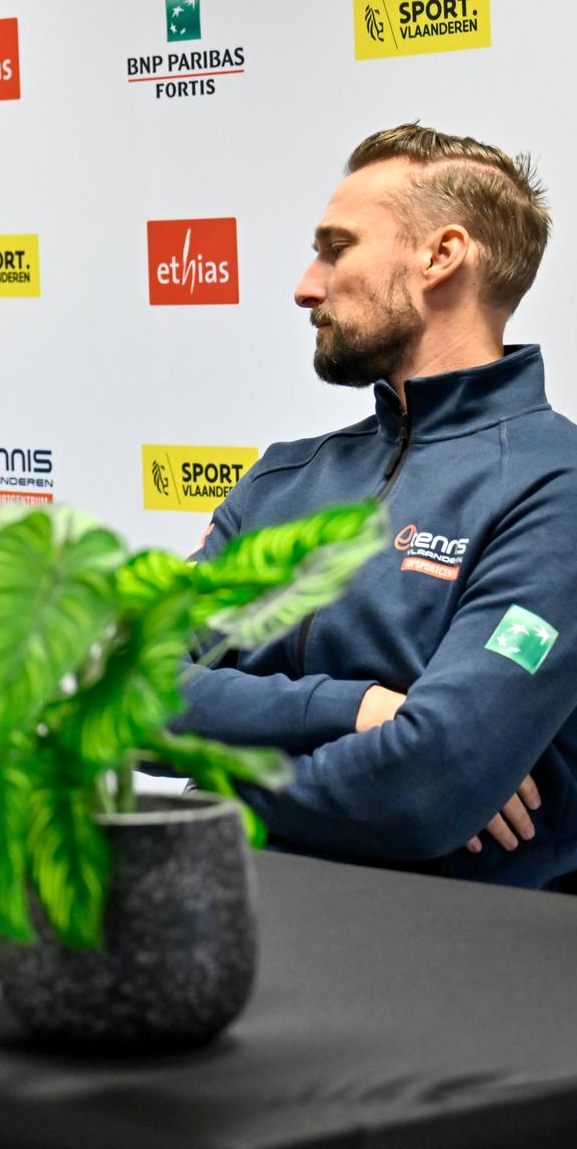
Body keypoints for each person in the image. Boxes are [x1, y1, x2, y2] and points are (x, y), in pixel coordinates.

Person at [178, 123, 576, 889]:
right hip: (234, 930)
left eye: (336, 248)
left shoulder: (554, 486)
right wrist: (356, 708)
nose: (306, 284)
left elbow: (428, 785)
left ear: (441, 256)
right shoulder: (282, 479)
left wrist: (207, 792)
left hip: (451, 970)